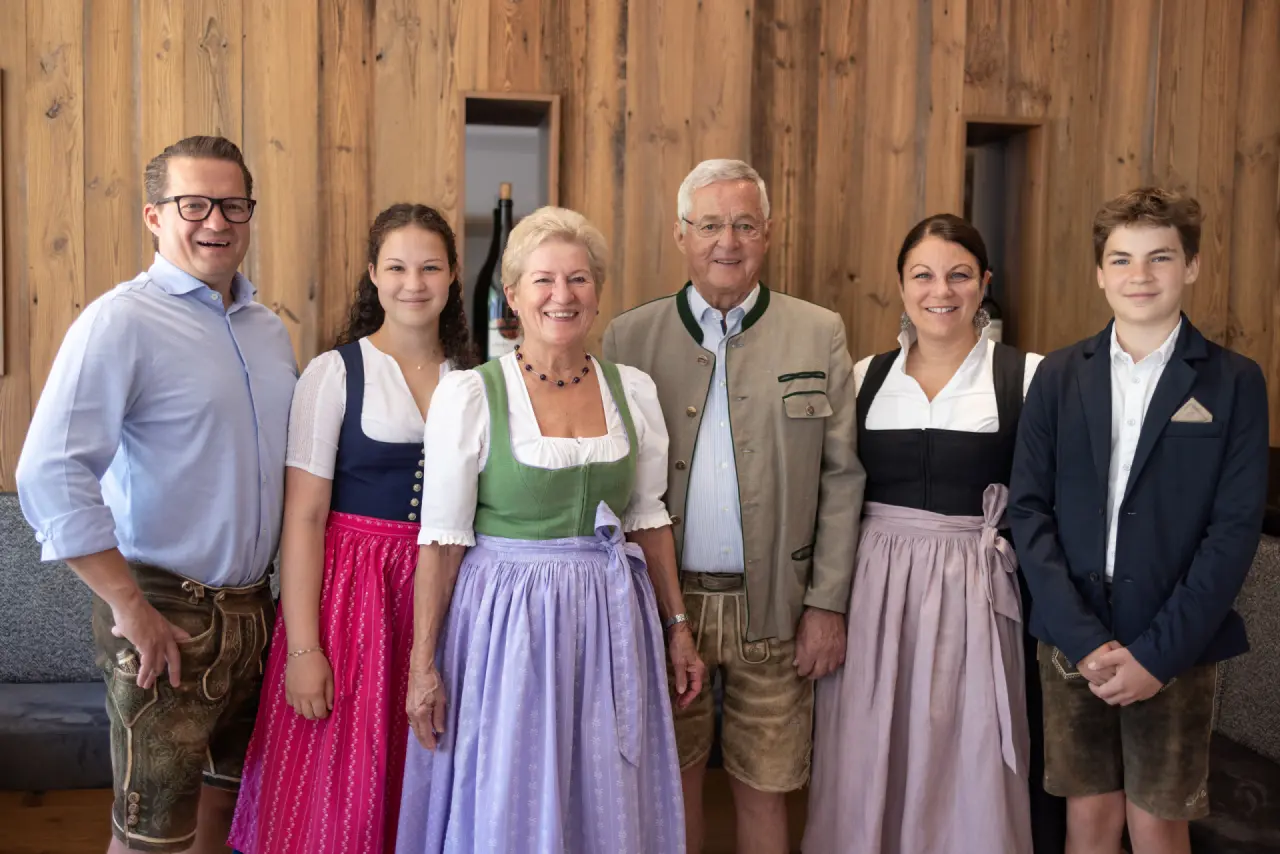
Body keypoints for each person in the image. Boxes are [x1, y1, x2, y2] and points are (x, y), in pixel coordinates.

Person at [15, 136, 296, 854]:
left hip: (254, 615)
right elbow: (49, 472)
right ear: (153, 215)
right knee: (151, 840)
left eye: (233, 204)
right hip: (165, 618)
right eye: (193, 203)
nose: (216, 221)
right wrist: (128, 607)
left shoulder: (269, 331)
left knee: (228, 820)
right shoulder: (121, 322)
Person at [394, 206, 704, 853]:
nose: (562, 296)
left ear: (597, 292)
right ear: (512, 295)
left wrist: (678, 631)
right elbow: (443, 543)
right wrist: (423, 667)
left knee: (603, 792)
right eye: (543, 281)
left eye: (579, 280)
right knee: (512, 787)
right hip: (509, 626)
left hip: (610, 620)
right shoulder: (472, 395)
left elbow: (649, 519)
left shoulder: (633, 390)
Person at [603, 159, 864, 854]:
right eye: (711, 224)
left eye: (744, 224)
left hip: (777, 605)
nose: (728, 240)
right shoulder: (629, 338)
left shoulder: (819, 332)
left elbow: (842, 477)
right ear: (681, 236)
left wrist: (828, 604)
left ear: (769, 234)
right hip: (666, 607)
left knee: (768, 787)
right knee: (671, 786)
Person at [1009, 187, 1269, 854]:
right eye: (1121, 260)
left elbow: (1233, 530)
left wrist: (1159, 654)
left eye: (1160, 258)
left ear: (1193, 265)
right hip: (1074, 645)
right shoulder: (1059, 377)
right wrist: (1080, 637)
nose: (1140, 276)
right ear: (1099, 273)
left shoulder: (1233, 383)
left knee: (1159, 824)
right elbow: (1028, 511)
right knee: (1088, 823)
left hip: (1175, 645)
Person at [229, 204, 475, 853]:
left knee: (427, 765)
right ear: (373, 275)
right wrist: (305, 649)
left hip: (445, 596)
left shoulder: (475, 382)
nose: (412, 282)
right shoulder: (335, 373)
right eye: (396, 267)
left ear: (453, 276)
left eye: (429, 267)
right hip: (352, 599)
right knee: (339, 786)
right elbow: (305, 517)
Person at [804, 214, 1039, 854]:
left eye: (960, 274)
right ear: (902, 286)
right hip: (875, 589)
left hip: (980, 588)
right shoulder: (864, 376)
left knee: (968, 751)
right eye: (924, 275)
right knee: (867, 744)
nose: (942, 290)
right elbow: (832, 493)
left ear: (983, 284)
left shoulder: (1029, 376)